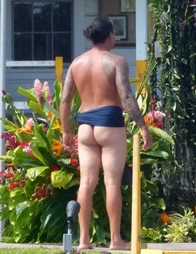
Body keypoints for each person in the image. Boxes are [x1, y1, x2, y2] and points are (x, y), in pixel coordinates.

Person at [60, 16, 152, 251]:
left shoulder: (76, 63)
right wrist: (143, 126)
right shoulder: (116, 61)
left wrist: (66, 131)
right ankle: (115, 240)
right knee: (111, 183)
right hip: (109, 122)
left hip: (85, 125)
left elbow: (65, 99)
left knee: (87, 182)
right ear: (110, 35)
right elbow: (126, 97)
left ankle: (83, 241)